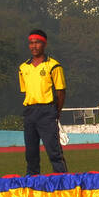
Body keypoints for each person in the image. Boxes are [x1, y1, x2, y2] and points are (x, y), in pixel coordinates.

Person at [18, 29, 68, 175]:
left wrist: (55, 112)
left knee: (54, 152)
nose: (34, 46)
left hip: (47, 110)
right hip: (29, 111)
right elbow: (26, 91)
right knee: (31, 154)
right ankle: (33, 185)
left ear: (44, 44)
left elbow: (61, 92)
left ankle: (63, 183)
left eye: (37, 43)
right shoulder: (23, 68)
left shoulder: (53, 65)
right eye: (31, 43)